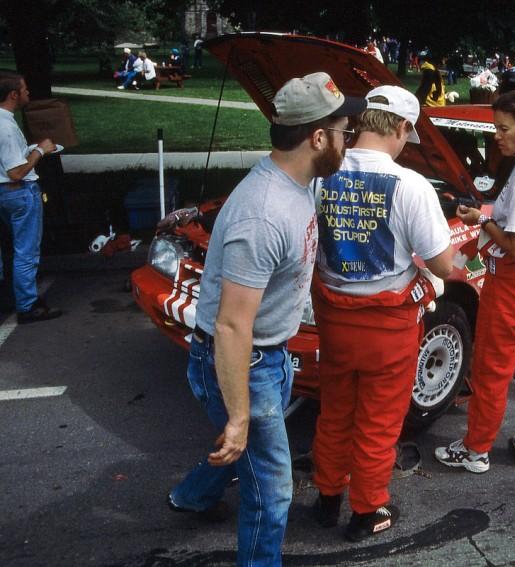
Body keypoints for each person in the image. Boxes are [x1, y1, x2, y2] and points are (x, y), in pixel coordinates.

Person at [167, 72, 365, 566]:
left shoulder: (300, 182)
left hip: (270, 355)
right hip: (243, 360)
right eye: (346, 131)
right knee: (273, 489)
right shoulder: (263, 214)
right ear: (318, 138)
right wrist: (238, 416)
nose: (350, 140)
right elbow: (232, 327)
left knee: (248, 456)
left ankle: (190, 497)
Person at [311, 85, 453, 542]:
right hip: (387, 326)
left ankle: (327, 497)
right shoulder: (411, 185)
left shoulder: (319, 172)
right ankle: (367, 511)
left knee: (334, 411)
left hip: (333, 318)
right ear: (401, 127)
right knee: (378, 421)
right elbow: (443, 265)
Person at [434, 89, 515, 473]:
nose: (497, 136)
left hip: (512, 284)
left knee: (491, 370)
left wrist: (483, 222)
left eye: (504, 128)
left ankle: (475, 450)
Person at [0, 72, 61, 324]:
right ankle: (28, 305)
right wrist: (39, 151)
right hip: (19, 194)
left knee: (7, 250)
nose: (28, 93)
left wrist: (28, 150)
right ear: (13, 94)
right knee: (25, 251)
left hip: (4, 194)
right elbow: (15, 172)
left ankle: (8, 296)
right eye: (24, 90)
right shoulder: (6, 127)